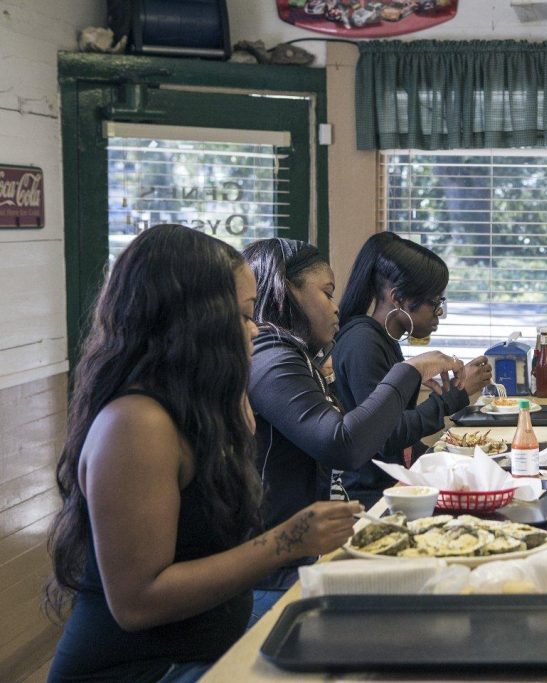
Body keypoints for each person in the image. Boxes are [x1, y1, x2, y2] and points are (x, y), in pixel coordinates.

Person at [46, 225, 362, 682]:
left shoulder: (203, 407)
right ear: (195, 319)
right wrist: (285, 541)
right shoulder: (137, 422)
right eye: (245, 315)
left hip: (205, 650)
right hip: (140, 670)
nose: (256, 330)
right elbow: (138, 600)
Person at [243, 238, 461, 621]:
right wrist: (409, 372)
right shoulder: (272, 357)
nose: (336, 305)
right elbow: (343, 443)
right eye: (326, 293)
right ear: (286, 290)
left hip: (306, 554)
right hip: (274, 580)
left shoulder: (295, 356)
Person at [334, 232, 492, 507]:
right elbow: (385, 436)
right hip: (373, 496)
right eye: (434, 302)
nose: (439, 313)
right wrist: (452, 398)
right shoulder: (363, 344)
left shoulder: (383, 339)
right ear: (398, 299)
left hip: (394, 484)